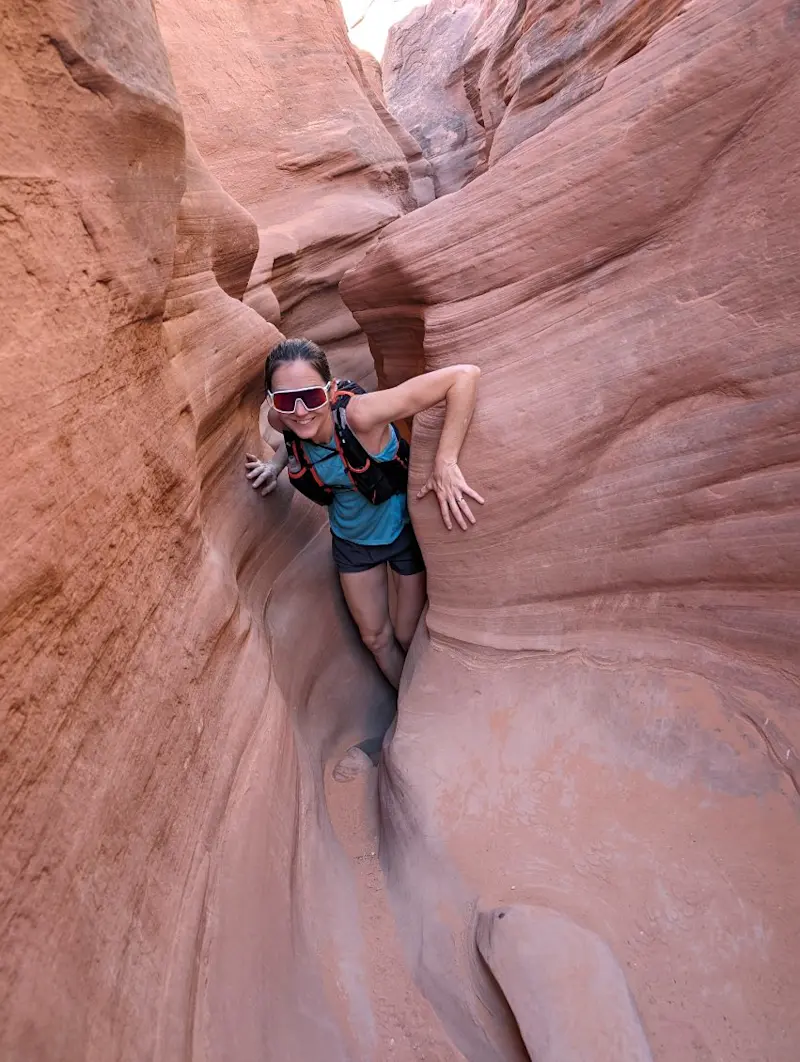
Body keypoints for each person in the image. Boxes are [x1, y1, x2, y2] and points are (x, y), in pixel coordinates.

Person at [245, 337, 483, 689]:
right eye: (285, 400)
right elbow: (293, 436)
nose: (299, 411)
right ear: (272, 401)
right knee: (376, 639)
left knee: (407, 634)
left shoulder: (361, 414)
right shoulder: (280, 419)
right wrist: (275, 465)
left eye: (311, 396)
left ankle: (436, 696)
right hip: (351, 541)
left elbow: (464, 376)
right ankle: (406, 706)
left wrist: (445, 461)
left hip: (402, 531)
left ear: (329, 391)